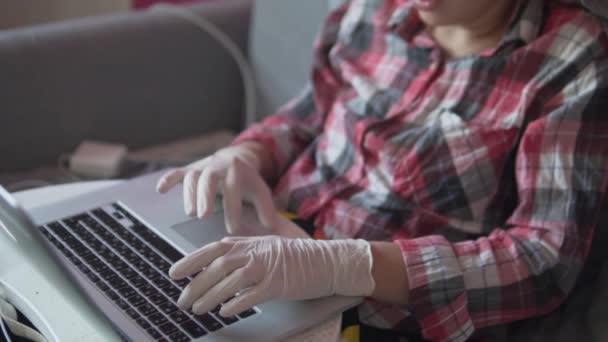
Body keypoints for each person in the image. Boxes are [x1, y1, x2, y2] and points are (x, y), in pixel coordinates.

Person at [156, 0, 608, 340]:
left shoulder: (572, 57)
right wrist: (247, 153)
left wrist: (349, 266)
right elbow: (308, 116)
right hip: (262, 239)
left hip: (379, 315)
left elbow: (544, 259)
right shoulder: (369, 7)